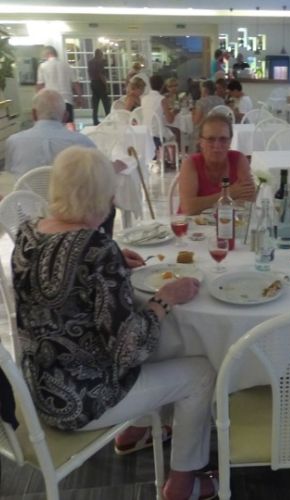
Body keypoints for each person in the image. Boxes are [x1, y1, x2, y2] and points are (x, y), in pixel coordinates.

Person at [12, 146, 217, 500]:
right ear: (102, 196)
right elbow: (129, 350)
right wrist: (165, 298)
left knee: (163, 340)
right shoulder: (96, 251)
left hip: (34, 386)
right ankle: (183, 486)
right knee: (200, 371)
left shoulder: (28, 232)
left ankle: (134, 431)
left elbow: (66, 279)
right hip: (79, 400)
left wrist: (114, 261)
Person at [5, 89, 95, 177]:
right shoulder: (82, 142)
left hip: (26, 187)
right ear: (66, 116)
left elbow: (10, 171)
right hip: (66, 187)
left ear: (34, 114)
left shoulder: (13, 142)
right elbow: (98, 172)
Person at [178, 114, 255, 215]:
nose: (217, 146)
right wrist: (229, 193)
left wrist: (202, 204)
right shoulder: (191, 164)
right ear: (201, 142)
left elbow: (248, 199)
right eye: (210, 139)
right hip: (192, 223)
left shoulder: (239, 160)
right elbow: (188, 208)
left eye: (223, 139)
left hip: (228, 222)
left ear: (230, 141)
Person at [36, 46, 82, 124]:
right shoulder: (67, 65)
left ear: (47, 54)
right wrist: (79, 97)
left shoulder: (43, 66)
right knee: (69, 124)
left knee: (53, 125)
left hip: (51, 101)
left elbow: (40, 86)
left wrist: (38, 102)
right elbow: (75, 83)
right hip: (67, 99)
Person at [87, 48, 110, 125]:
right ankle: (108, 120)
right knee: (106, 103)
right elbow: (101, 74)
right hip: (100, 83)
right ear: (99, 54)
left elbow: (89, 73)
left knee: (95, 103)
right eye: (101, 54)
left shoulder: (90, 62)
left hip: (93, 83)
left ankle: (95, 120)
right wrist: (106, 85)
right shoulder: (99, 62)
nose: (102, 56)